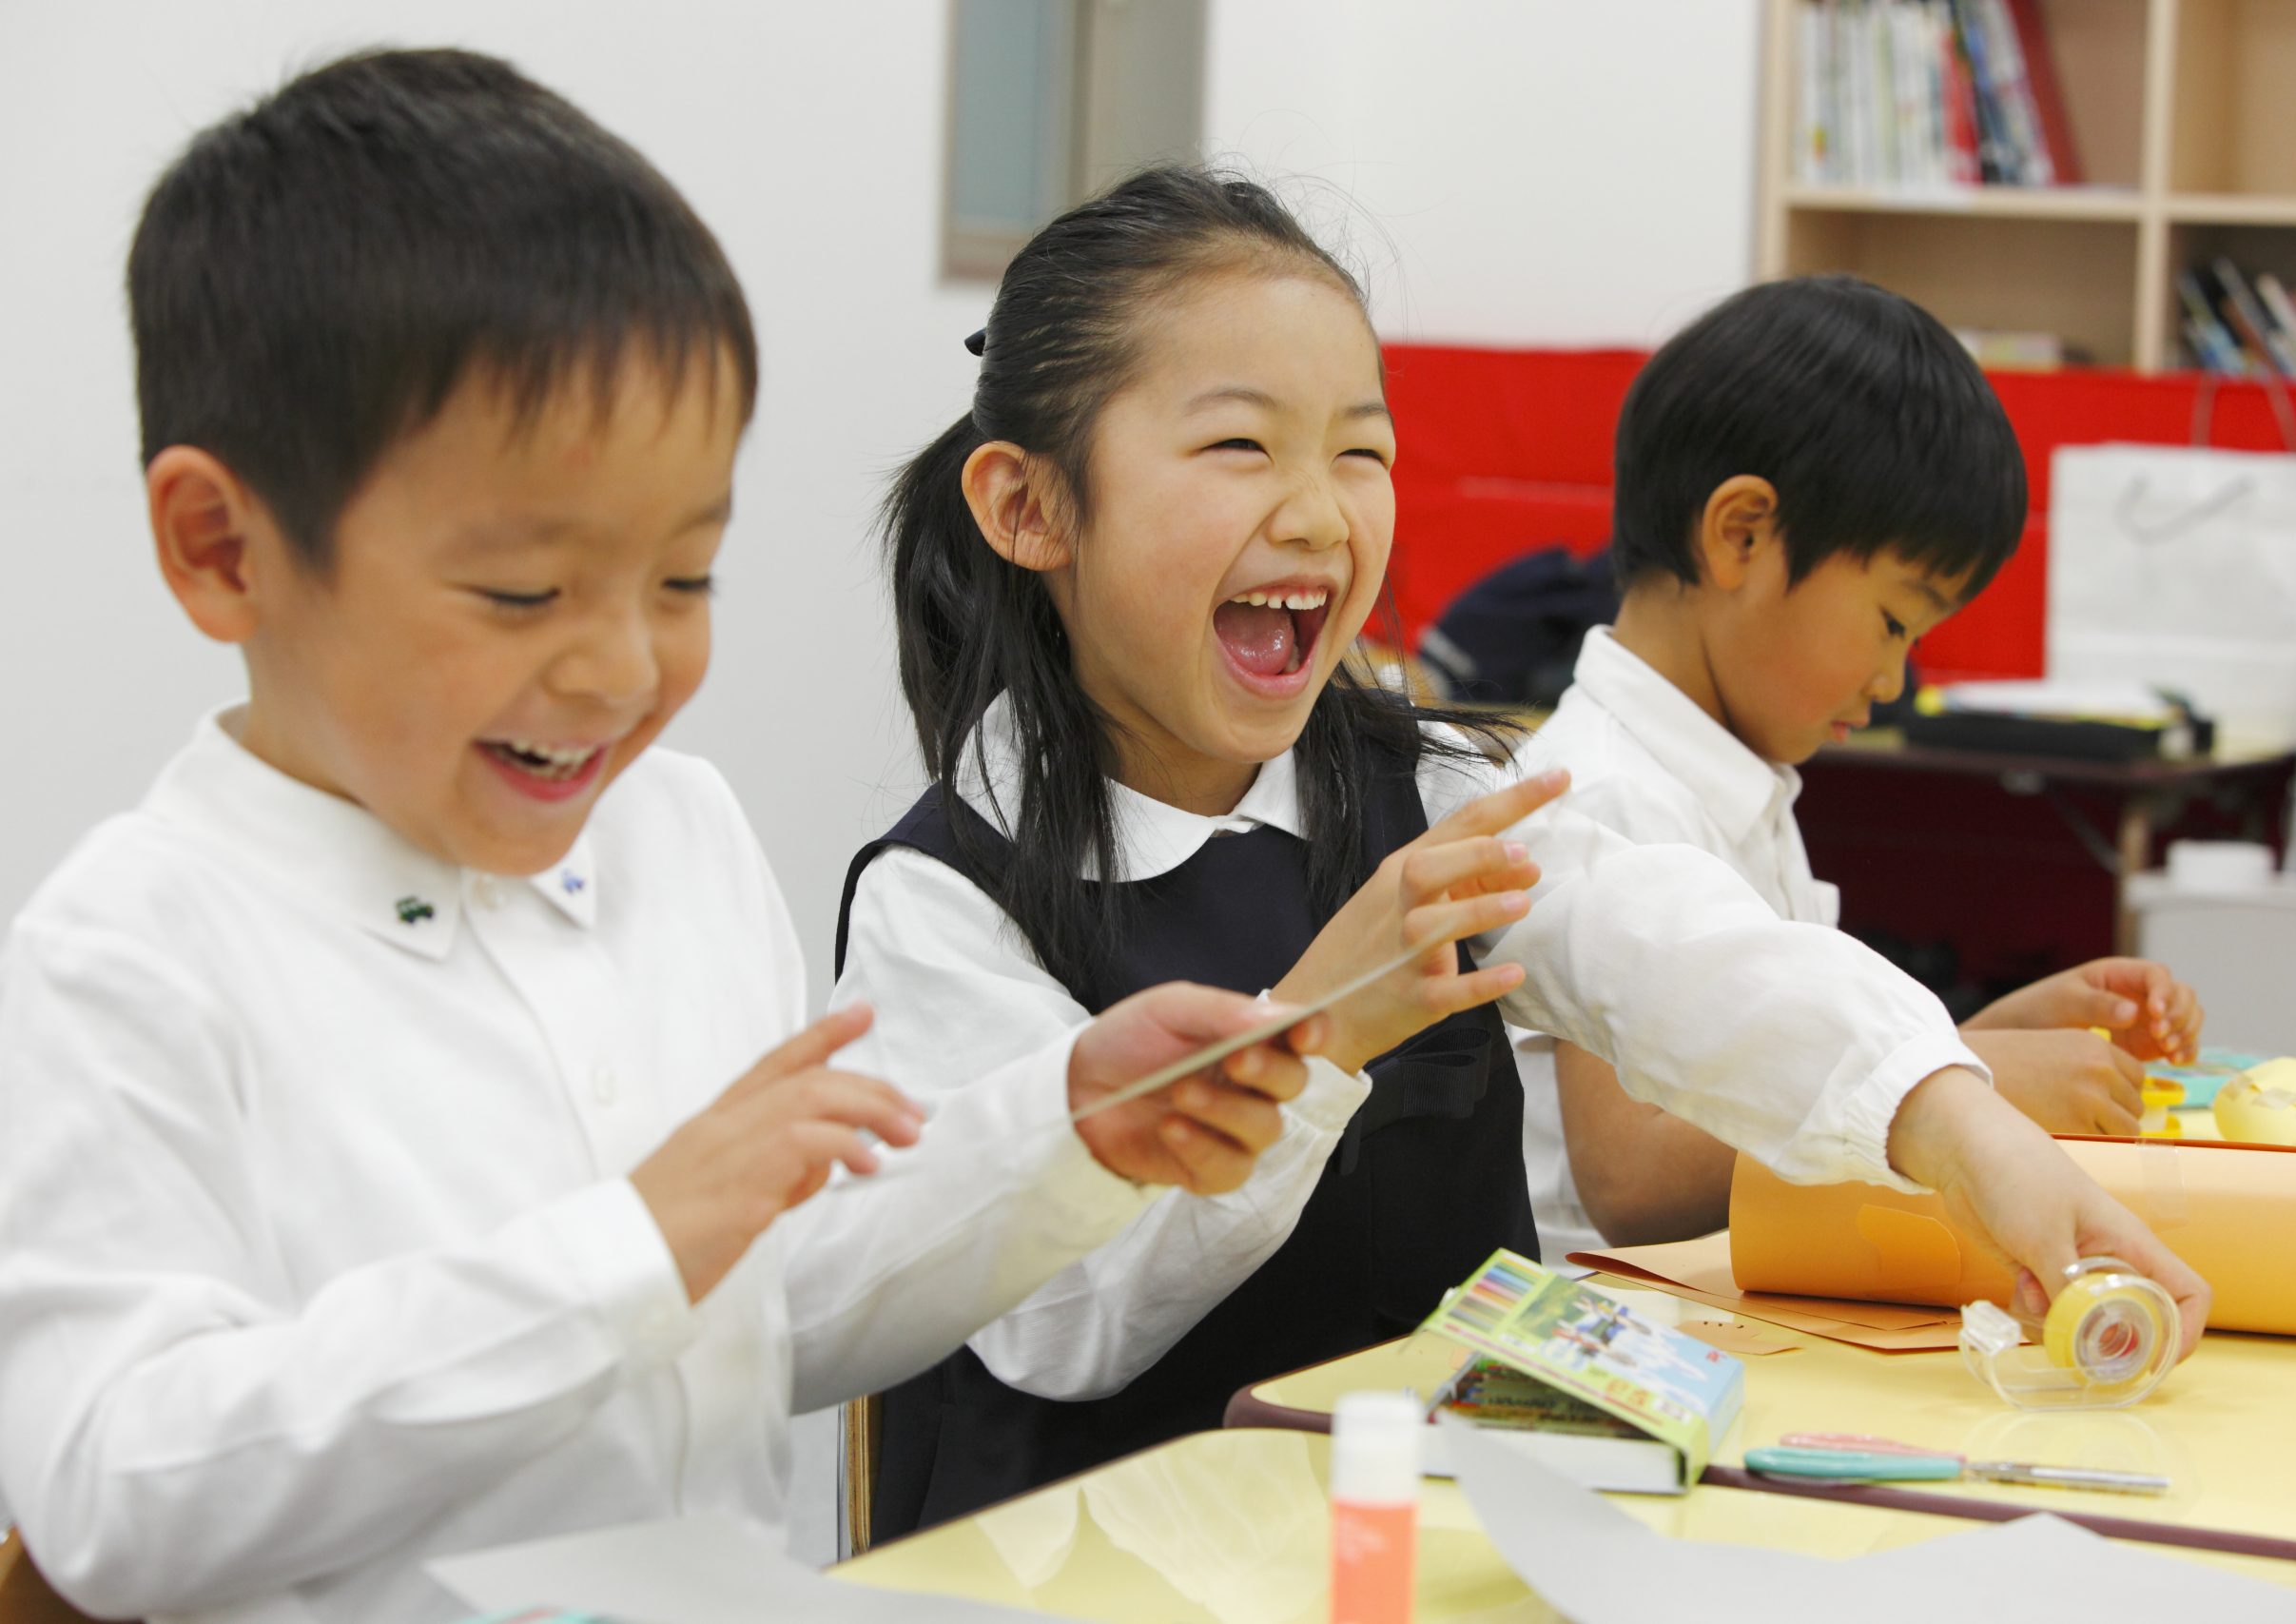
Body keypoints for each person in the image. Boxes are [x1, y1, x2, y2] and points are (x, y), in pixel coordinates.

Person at [0, 53, 1334, 1623]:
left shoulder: (676, 836)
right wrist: (618, 1250)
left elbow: (787, 1295)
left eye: (684, 580)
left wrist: (1056, 1133)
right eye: (523, 592)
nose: (626, 670)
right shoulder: (133, 952)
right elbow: (109, 1496)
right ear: (224, 549)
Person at [834, 166, 2210, 1537]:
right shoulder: (944, 899)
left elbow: (1693, 957)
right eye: (1243, 447)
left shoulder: (1442, 792)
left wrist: (1971, 1135)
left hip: (1427, 1555)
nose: (1320, 512)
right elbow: (1064, 1318)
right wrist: (1312, 1035)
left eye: (1359, 451)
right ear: (1029, 506)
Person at [1517, 276, 2208, 1262]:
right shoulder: (1597, 797)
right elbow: (1630, 1175)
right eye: (1892, 622)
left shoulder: (1736, 785)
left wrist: (1975, 1036)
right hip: (1607, 1337)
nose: (1891, 680)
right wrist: (1972, 1071)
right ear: (1741, 535)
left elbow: (1764, 1070)